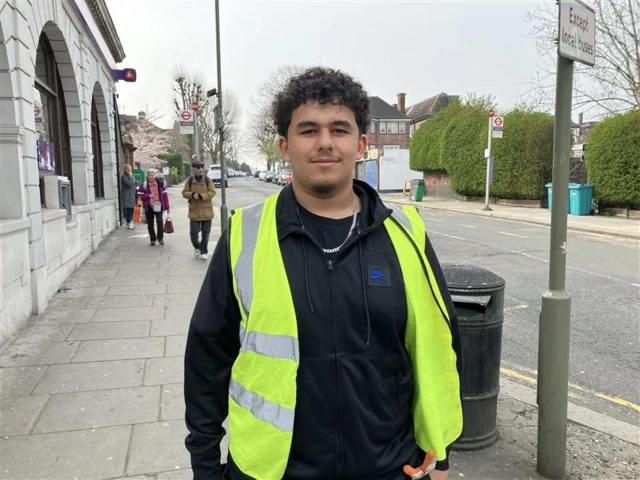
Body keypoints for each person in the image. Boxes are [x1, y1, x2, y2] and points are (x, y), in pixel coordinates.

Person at [184, 67, 463, 480]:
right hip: (272, 471)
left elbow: (440, 347)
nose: (325, 143)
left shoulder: (405, 233)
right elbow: (207, 358)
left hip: (389, 468)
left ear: (361, 144)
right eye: (309, 130)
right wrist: (206, 467)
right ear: (285, 145)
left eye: (339, 129)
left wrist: (440, 456)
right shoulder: (246, 235)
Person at [182, 158, 216, 260]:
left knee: (206, 234)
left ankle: (204, 251)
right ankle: (197, 247)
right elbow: (184, 193)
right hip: (194, 211)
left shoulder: (207, 180)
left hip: (207, 211)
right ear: (193, 169)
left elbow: (212, 192)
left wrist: (202, 196)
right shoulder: (189, 181)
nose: (200, 169)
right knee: (193, 233)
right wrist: (192, 195)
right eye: (198, 167)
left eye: (202, 167)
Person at [137, 170, 170, 246]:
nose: (150, 177)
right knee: (150, 223)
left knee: (160, 222)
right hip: (149, 206)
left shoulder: (160, 185)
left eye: (152, 175)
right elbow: (139, 196)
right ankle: (152, 239)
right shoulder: (144, 185)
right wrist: (148, 196)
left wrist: (167, 207)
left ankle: (160, 238)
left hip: (158, 206)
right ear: (147, 176)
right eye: (149, 175)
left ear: (155, 176)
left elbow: (165, 197)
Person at [120, 164, 137, 229]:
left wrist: (132, 178)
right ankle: (129, 223)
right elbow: (129, 184)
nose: (129, 171)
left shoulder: (132, 176)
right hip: (127, 196)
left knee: (132, 209)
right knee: (129, 210)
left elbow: (135, 183)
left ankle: (130, 222)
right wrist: (130, 177)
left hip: (132, 195)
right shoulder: (124, 177)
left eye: (130, 169)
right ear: (125, 170)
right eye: (128, 169)